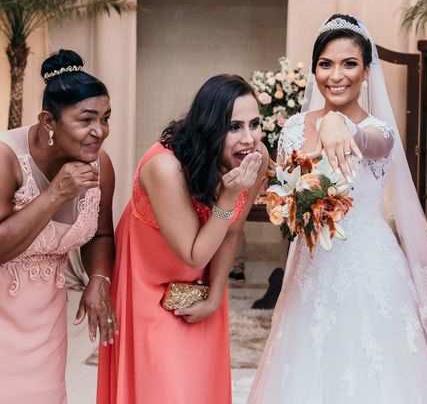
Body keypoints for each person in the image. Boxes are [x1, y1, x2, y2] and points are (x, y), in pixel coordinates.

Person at [249, 14, 427, 403]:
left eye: (349, 63)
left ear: (367, 71)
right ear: (315, 68)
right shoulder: (294, 129)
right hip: (312, 265)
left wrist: (343, 127)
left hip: (370, 267)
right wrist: (292, 207)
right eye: (326, 64)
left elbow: (371, 144)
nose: (337, 75)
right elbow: (284, 193)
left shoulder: (380, 132)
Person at [97, 75, 268, 404]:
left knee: (197, 387)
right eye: (234, 127)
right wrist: (228, 197)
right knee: (160, 388)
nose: (249, 138)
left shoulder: (254, 157)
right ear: (208, 127)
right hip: (145, 283)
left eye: (255, 124)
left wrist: (216, 296)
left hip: (199, 283)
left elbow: (232, 230)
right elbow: (195, 253)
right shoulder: (165, 167)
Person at [0, 49, 116, 403]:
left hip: (48, 320)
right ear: (49, 122)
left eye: (105, 118)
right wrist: (55, 194)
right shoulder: (6, 159)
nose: (99, 131)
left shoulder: (100, 165)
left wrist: (99, 278)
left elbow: (101, 232)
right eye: (86, 120)